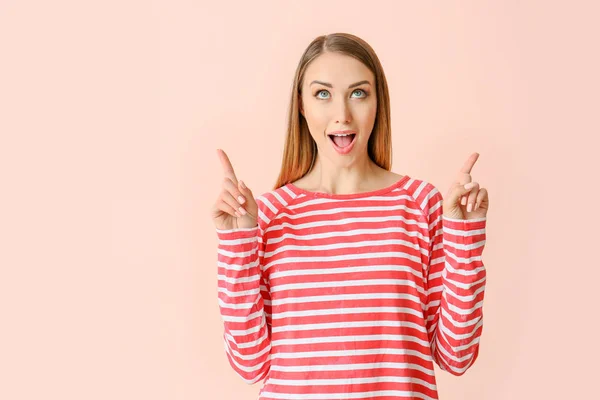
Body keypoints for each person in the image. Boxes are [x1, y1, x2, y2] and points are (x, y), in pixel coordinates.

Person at [211, 32, 489, 400]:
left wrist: (464, 236)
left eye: (358, 93)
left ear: (378, 103)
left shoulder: (420, 205)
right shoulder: (268, 215)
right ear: (302, 105)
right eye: (322, 94)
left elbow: (456, 356)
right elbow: (251, 365)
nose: (342, 115)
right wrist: (237, 242)